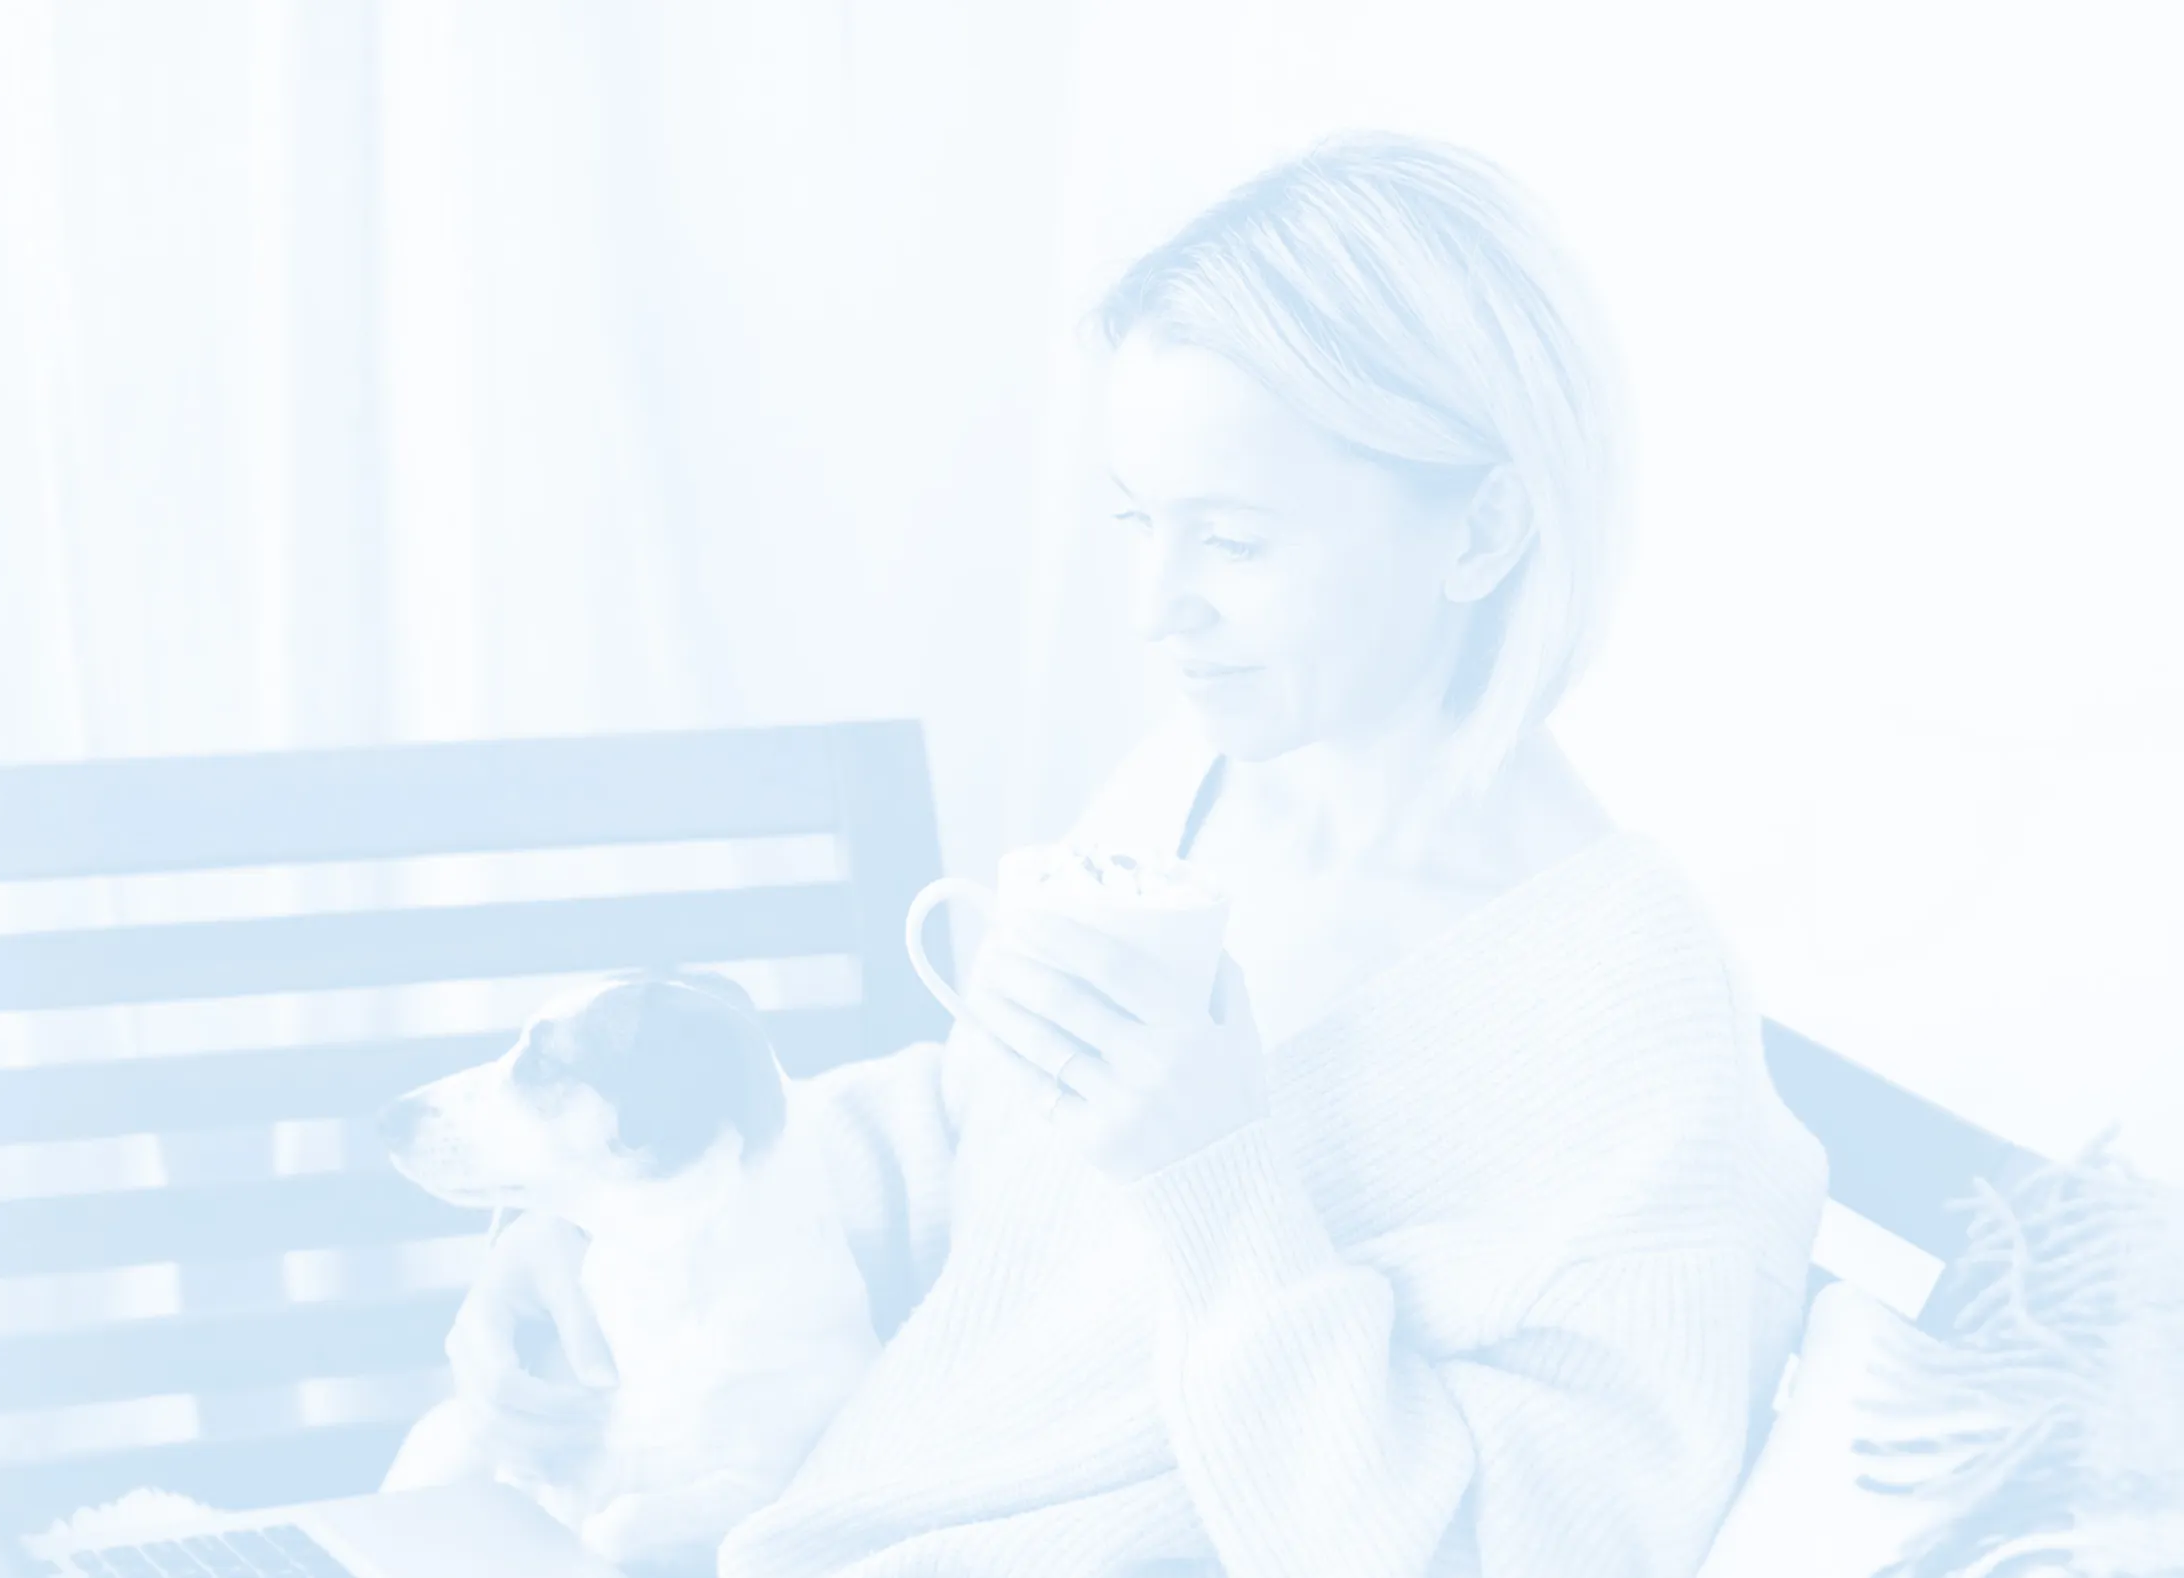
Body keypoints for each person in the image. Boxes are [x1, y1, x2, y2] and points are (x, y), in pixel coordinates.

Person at [441, 133, 1827, 1577]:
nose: (1158, 607)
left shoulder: (1629, 1029)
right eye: (1135, 524)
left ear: (1480, 527)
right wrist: (640, 1208)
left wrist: (1218, 1175)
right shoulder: (1196, 785)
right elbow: (985, 1148)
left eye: (1231, 539)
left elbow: (1501, 1555)